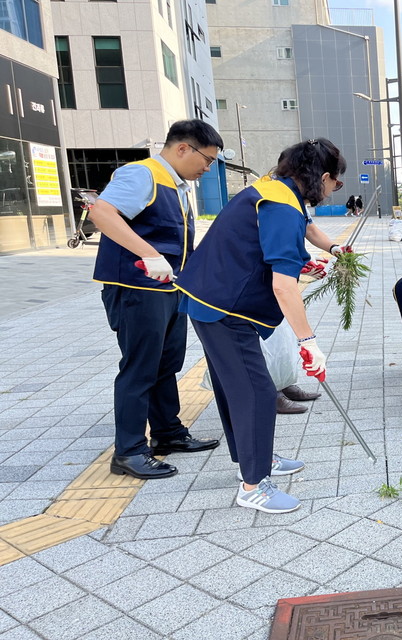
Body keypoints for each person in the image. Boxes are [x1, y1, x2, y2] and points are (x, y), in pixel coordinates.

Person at [175, 138, 349, 514]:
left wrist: (328, 252)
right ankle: (254, 486)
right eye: (337, 183)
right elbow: (283, 285)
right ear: (322, 177)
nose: (337, 190)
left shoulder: (275, 190)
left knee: (234, 388)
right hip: (225, 309)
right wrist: (309, 342)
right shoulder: (282, 205)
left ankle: (257, 460)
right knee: (255, 392)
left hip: (212, 297)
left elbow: (278, 241)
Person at [90, 119, 223, 480]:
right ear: (183, 148)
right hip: (136, 288)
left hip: (168, 289)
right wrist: (148, 254)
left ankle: (167, 432)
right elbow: (101, 212)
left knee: (167, 363)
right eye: (207, 160)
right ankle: (130, 451)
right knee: (140, 367)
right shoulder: (142, 174)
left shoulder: (177, 186)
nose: (208, 168)